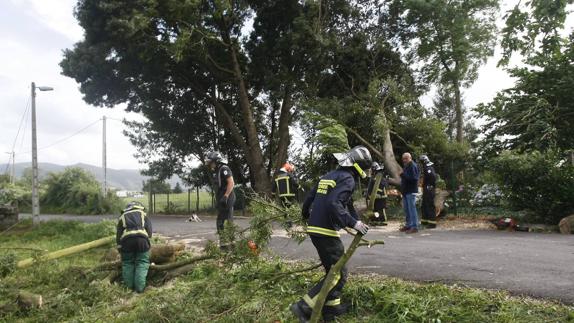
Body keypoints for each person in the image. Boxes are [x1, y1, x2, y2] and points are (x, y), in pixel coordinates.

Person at [291, 146, 372, 322]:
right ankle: (303, 307)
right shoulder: (348, 179)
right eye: (365, 167)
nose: (366, 172)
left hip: (315, 229)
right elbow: (334, 204)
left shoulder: (328, 176)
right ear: (358, 166)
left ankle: (331, 308)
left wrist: (306, 216)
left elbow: (311, 198)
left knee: (331, 271)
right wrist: (353, 223)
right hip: (325, 230)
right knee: (338, 273)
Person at [116, 201, 152, 293]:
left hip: (127, 241)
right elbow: (150, 232)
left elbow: (118, 234)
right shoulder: (143, 214)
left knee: (128, 263)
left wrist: (120, 248)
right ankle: (139, 289)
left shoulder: (122, 217)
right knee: (142, 262)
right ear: (138, 207)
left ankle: (129, 288)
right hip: (142, 240)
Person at [205, 151, 236, 247]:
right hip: (222, 199)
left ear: (216, 161)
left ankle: (229, 245)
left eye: (211, 162)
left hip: (227, 198)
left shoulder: (224, 168)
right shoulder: (217, 170)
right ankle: (226, 244)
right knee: (221, 222)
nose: (210, 164)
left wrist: (225, 196)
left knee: (225, 222)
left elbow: (231, 183)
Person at [400, 152, 420, 233]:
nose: (404, 160)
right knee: (407, 209)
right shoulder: (407, 166)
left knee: (412, 209)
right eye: (403, 158)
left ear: (410, 158)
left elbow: (414, 178)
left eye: (406, 158)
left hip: (411, 191)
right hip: (406, 191)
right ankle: (408, 225)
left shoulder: (413, 166)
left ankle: (414, 226)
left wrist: (403, 175)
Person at [419, 155, 437, 228]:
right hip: (427, 189)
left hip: (429, 189)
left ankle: (432, 223)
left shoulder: (428, 168)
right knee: (424, 205)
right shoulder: (426, 168)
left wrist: (429, 185)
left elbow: (433, 177)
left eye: (421, 162)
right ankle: (425, 222)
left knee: (429, 205)